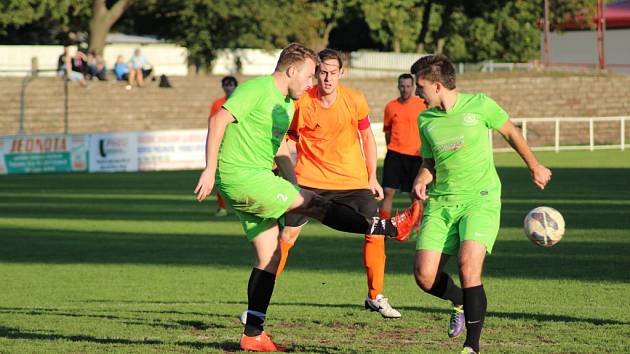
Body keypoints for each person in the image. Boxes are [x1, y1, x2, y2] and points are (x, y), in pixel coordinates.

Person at [194, 43, 422, 352]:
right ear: (291, 71)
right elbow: (217, 120)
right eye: (309, 75)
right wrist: (209, 170)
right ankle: (391, 228)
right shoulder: (257, 89)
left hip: (255, 178)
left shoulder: (286, 104)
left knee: (270, 256)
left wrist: (293, 182)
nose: (312, 82)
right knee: (313, 205)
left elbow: (278, 148)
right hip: (243, 177)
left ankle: (253, 334)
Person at [409, 54, 552, 354]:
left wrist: (535, 166)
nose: (416, 93)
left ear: (436, 86)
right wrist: (421, 179)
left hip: (480, 199)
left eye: (420, 87)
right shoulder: (425, 119)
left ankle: (471, 347)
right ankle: (460, 300)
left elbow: (511, 132)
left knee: (468, 265)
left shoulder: (480, 104)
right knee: (424, 276)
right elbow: (430, 161)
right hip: (442, 203)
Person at [277, 49, 410, 319]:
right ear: (316, 73)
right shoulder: (302, 102)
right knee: (285, 237)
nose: (327, 78)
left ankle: (375, 296)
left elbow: (367, 138)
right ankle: (258, 307)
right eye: (322, 72)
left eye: (332, 73)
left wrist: (372, 176)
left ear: (341, 73)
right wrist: (280, 170)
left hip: (352, 181)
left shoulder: (354, 100)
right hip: (309, 181)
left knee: (374, 230)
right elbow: (288, 140)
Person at [381, 73, 427, 217]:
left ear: (413, 87)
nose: (405, 89)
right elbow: (387, 132)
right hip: (394, 154)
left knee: (415, 193)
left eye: (408, 86)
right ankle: (383, 228)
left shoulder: (422, 105)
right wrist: (393, 147)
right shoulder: (390, 107)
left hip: (416, 155)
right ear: (398, 87)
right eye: (402, 86)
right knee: (387, 191)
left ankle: (418, 227)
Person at [208, 76, 238, 216]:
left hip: (239, 143)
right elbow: (213, 122)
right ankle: (222, 207)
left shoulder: (241, 102)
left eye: (231, 85)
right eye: (226, 85)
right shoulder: (217, 103)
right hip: (222, 144)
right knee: (219, 178)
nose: (228, 87)